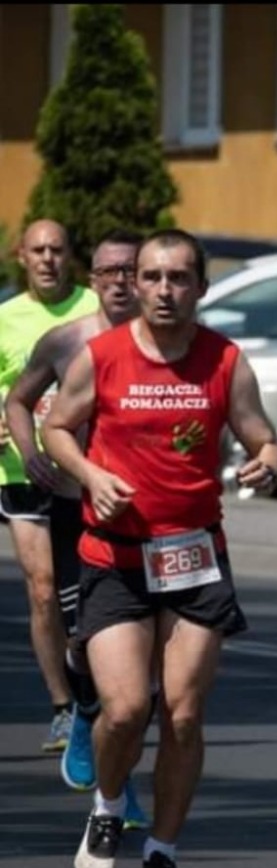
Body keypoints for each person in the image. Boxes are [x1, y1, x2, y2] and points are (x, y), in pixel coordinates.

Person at [42, 228, 277, 868]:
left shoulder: (224, 360)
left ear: (201, 288)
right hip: (114, 556)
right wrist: (91, 475)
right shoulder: (102, 357)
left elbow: (261, 434)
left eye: (179, 278)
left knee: (181, 712)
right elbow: (58, 427)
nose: (163, 290)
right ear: (135, 284)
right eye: (151, 277)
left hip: (194, 556)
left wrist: (269, 461)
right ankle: (109, 807)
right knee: (123, 708)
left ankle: (164, 849)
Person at [5, 228, 148, 826]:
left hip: (150, 515)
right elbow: (19, 398)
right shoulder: (66, 340)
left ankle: (118, 780)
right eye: (109, 271)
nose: (120, 281)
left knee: (151, 676)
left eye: (130, 271)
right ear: (96, 280)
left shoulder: (179, 343)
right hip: (71, 505)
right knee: (85, 638)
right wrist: (32, 449)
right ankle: (83, 710)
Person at [0, 219, 98, 752]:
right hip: (20, 470)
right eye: (37, 250)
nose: (47, 260)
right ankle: (63, 705)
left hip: (81, 472)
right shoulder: (5, 318)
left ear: (70, 256)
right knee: (41, 590)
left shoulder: (92, 310)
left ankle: (94, 692)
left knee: (81, 594)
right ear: (21, 257)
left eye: (57, 250)